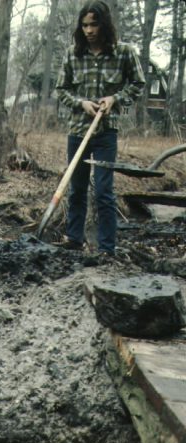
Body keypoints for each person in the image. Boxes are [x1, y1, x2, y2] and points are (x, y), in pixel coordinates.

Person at [55, 0, 145, 257]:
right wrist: (81, 103)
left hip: (106, 132)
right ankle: (74, 239)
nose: (89, 30)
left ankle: (107, 248)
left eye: (94, 24)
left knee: (104, 191)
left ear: (104, 25)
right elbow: (61, 89)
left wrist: (115, 99)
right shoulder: (73, 53)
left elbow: (138, 83)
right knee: (77, 188)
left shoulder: (124, 52)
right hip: (78, 131)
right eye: (84, 25)